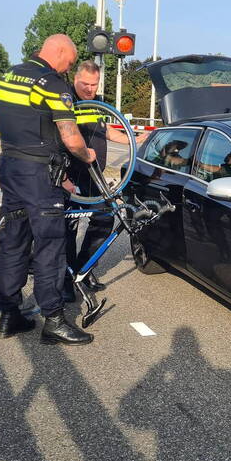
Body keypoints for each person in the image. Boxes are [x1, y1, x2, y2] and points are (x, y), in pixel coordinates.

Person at [0, 34, 96, 345]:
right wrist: (85, 154)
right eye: (69, 60)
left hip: (10, 165)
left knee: (13, 242)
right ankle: (54, 320)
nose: (69, 67)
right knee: (50, 245)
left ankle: (9, 314)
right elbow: (70, 136)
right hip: (39, 175)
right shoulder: (51, 83)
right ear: (61, 51)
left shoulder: (10, 75)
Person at [64, 61, 147, 294]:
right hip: (71, 173)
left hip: (94, 175)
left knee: (104, 219)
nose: (90, 89)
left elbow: (105, 130)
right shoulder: (65, 100)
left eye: (94, 84)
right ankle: (64, 279)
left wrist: (132, 138)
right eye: (85, 84)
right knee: (67, 226)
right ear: (75, 79)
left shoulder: (97, 102)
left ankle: (84, 270)